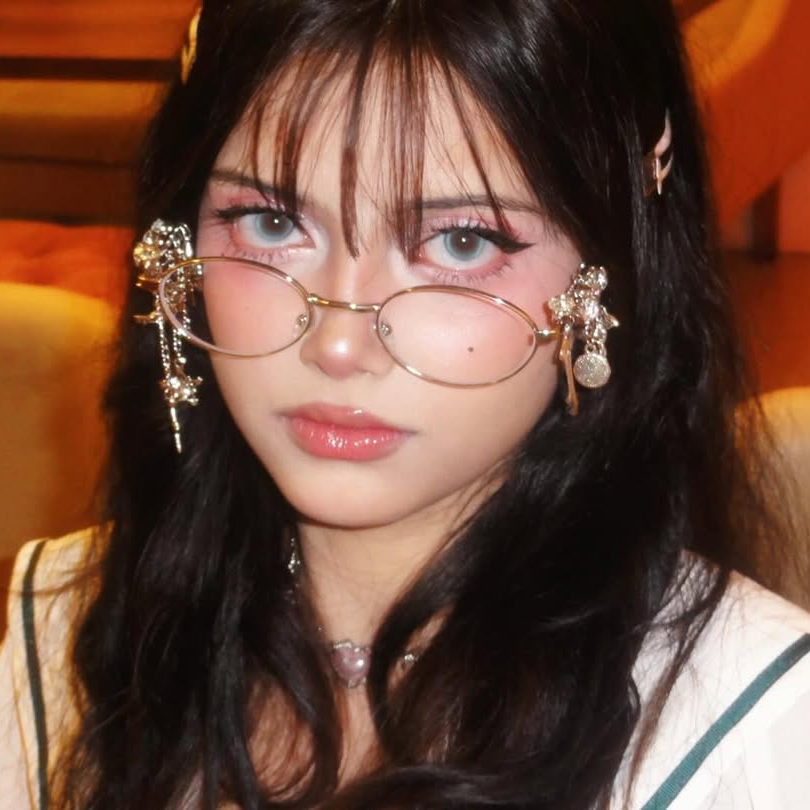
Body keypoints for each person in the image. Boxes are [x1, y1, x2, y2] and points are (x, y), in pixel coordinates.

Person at [1, 1, 809, 807]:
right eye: (271, 223)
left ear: (609, 276)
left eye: (461, 242)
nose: (338, 344)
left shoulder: (744, 725)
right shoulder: (69, 627)